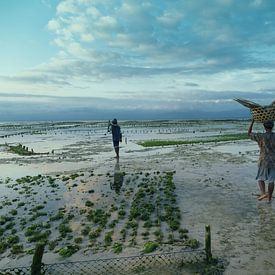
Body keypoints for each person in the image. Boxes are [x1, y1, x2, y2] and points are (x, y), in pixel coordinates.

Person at [248, 119, 275, 202]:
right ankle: (269, 199)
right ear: (272, 126)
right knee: (271, 180)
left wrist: (252, 122)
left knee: (260, 178)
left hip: (263, 160)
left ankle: (263, 193)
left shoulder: (261, 136)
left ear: (264, 127)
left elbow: (249, 133)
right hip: (274, 161)